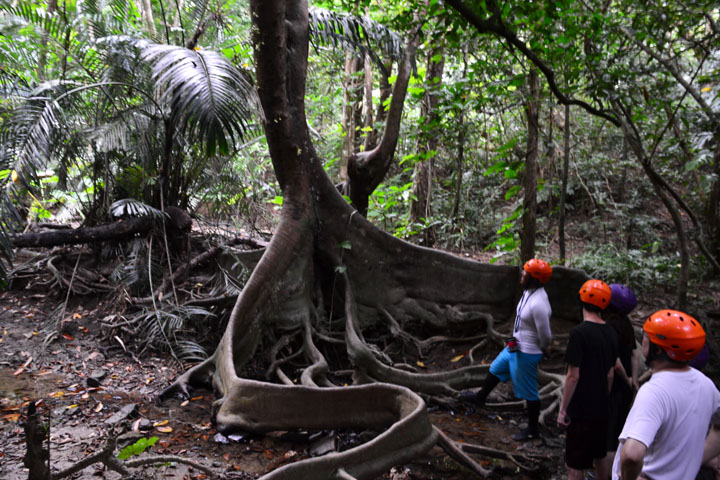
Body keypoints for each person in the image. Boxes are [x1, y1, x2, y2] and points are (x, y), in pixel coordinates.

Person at [612, 309, 720, 480]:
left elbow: (632, 455)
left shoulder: (654, 392)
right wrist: (697, 459)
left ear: (659, 350)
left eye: (646, 336)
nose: (643, 339)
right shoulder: (707, 385)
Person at [460, 258, 553, 441]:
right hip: (515, 345)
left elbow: (546, 335)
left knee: (529, 392)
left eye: (525, 273)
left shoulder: (539, 303)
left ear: (534, 278)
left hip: (526, 352)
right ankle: (480, 398)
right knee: (496, 369)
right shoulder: (529, 292)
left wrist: (542, 349)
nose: (522, 274)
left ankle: (533, 429)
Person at [557, 279, 619, 480]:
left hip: (581, 410)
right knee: (599, 456)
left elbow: (573, 376)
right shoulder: (611, 331)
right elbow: (610, 374)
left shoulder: (579, 333)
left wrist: (563, 409)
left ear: (581, 301)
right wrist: (603, 398)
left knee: (574, 464)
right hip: (602, 408)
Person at [601, 284, 641, 475]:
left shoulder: (608, 327)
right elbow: (634, 354)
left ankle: (608, 475)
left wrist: (626, 379)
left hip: (613, 387)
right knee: (619, 430)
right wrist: (634, 379)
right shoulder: (627, 325)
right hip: (624, 389)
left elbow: (615, 363)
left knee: (609, 438)